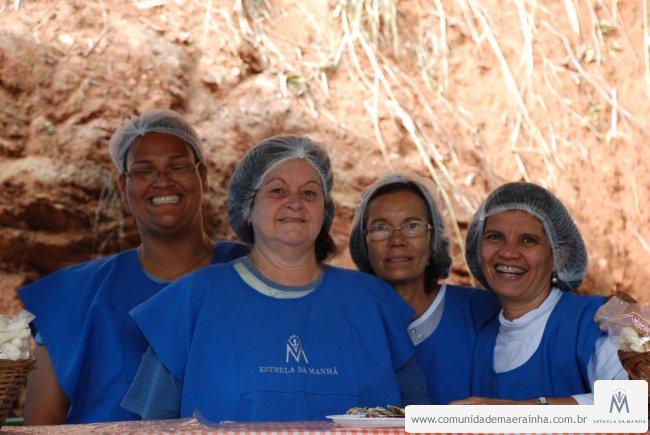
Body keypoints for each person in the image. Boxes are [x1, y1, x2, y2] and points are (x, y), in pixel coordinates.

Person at [121, 135, 429, 422]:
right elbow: (151, 427)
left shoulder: (373, 302)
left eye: (309, 192)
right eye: (277, 190)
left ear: (324, 210)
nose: (295, 202)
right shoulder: (193, 300)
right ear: (248, 207)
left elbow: (418, 417)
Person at [19, 109, 249, 424]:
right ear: (123, 186)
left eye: (178, 166)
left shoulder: (254, 272)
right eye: (144, 171)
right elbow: (40, 425)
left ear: (203, 176)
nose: (162, 180)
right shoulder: (73, 297)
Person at [453, 182, 626, 405]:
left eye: (528, 240)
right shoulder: (484, 344)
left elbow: (632, 404)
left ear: (559, 256)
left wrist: (521, 411)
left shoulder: (596, 321)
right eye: (495, 237)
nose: (508, 252)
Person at [348, 173, 499, 404]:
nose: (396, 240)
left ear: (433, 237)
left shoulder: (479, 312)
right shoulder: (346, 320)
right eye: (380, 228)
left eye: (412, 226)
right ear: (364, 243)